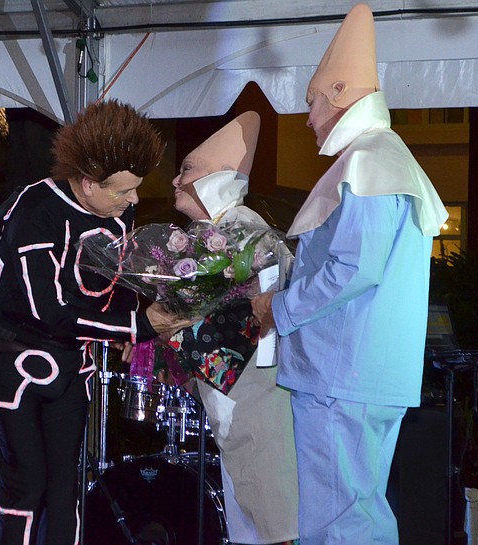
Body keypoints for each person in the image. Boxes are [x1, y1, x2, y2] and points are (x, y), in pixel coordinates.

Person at [250, 4, 449, 545]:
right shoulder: (383, 159)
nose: (308, 118)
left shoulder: (370, 162)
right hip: (362, 375)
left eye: (312, 102)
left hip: (342, 375)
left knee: (338, 523)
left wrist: (278, 307)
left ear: (339, 94)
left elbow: (353, 269)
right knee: (357, 513)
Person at [0, 99, 192, 545]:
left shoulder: (118, 213)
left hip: (73, 366)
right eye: (123, 191)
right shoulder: (36, 210)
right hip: (13, 364)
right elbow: (48, 309)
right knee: (24, 488)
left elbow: (113, 280)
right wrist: (137, 326)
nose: (133, 200)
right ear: (88, 183)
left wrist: (131, 322)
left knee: (65, 490)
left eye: (135, 190)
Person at [171, 111, 299, 545]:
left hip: (255, 391)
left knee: (271, 512)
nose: (175, 180)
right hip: (232, 394)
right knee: (250, 510)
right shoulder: (213, 234)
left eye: (187, 170)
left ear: (218, 177)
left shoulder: (245, 233)